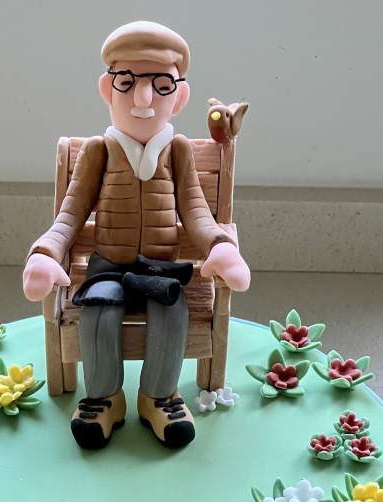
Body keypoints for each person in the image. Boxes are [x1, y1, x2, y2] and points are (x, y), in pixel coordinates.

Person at [23, 21, 251, 450]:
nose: (143, 98)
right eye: (126, 83)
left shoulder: (178, 150)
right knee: (99, 311)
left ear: (178, 97)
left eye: (161, 85)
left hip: (160, 269)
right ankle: (104, 398)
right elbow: (70, 214)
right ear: (107, 90)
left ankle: (159, 398)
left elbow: (196, 211)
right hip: (108, 266)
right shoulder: (99, 151)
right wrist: (46, 252)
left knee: (171, 311)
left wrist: (220, 245)